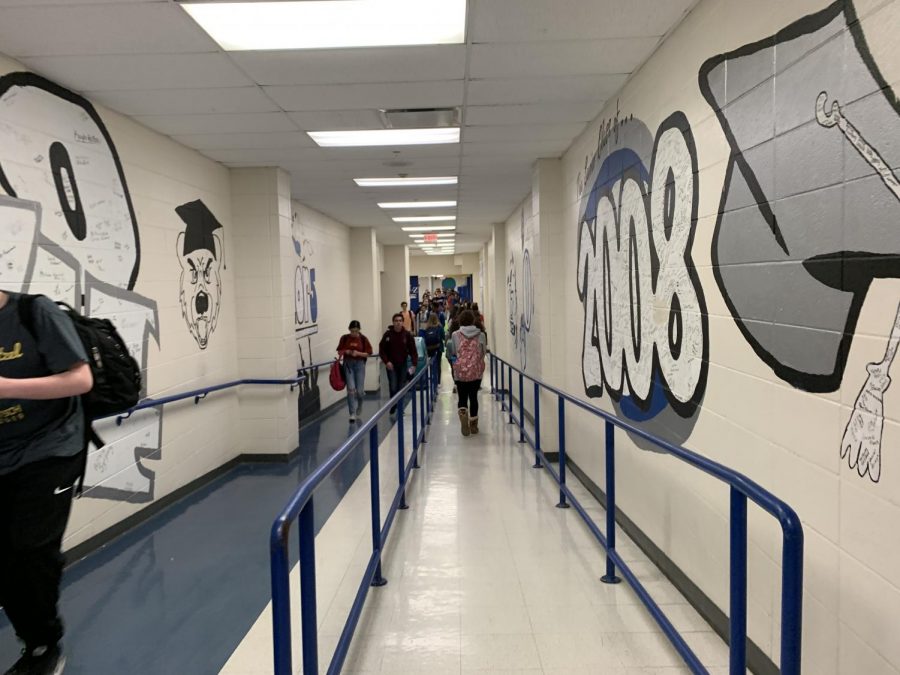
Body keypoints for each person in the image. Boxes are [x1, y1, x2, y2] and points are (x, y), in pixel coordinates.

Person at [0, 290, 94, 675]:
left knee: (31, 548)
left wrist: (5, 387)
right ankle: (34, 635)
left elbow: (81, 379)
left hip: (51, 445)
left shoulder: (33, 311)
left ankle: (43, 646)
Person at [447, 309, 487, 437]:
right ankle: (474, 424)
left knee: (462, 397)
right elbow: (483, 352)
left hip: (461, 373)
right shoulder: (481, 335)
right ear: (473, 320)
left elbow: (453, 352)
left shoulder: (455, 335)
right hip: (476, 372)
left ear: (461, 320)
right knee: (473, 397)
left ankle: (463, 414)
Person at [379, 313, 417, 415]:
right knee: (393, 386)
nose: (398, 323)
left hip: (403, 364)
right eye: (396, 321)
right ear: (393, 322)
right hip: (391, 365)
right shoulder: (388, 335)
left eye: (400, 321)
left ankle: (399, 407)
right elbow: (382, 350)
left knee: (401, 387)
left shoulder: (407, 335)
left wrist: (414, 364)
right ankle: (393, 404)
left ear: (403, 322)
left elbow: (413, 350)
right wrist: (386, 362)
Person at [335, 320, 373, 423]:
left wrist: (358, 354)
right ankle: (352, 413)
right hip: (348, 365)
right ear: (349, 330)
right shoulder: (344, 338)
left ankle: (360, 404)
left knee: (359, 391)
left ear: (359, 330)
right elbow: (339, 350)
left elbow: (369, 353)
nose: (354, 333)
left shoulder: (363, 339)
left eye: (356, 331)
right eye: (352, 331)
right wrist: (346, 351)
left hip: (360, 364)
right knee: (351, 389)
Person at [419, 314, 445, 385]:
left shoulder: (427, 327)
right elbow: (443, 337)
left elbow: (424, 339)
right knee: (438, 364)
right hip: (438, 348)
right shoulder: (439, 327)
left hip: (430, 349)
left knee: (431, 364)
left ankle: (433, 380)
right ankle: (438, 382)